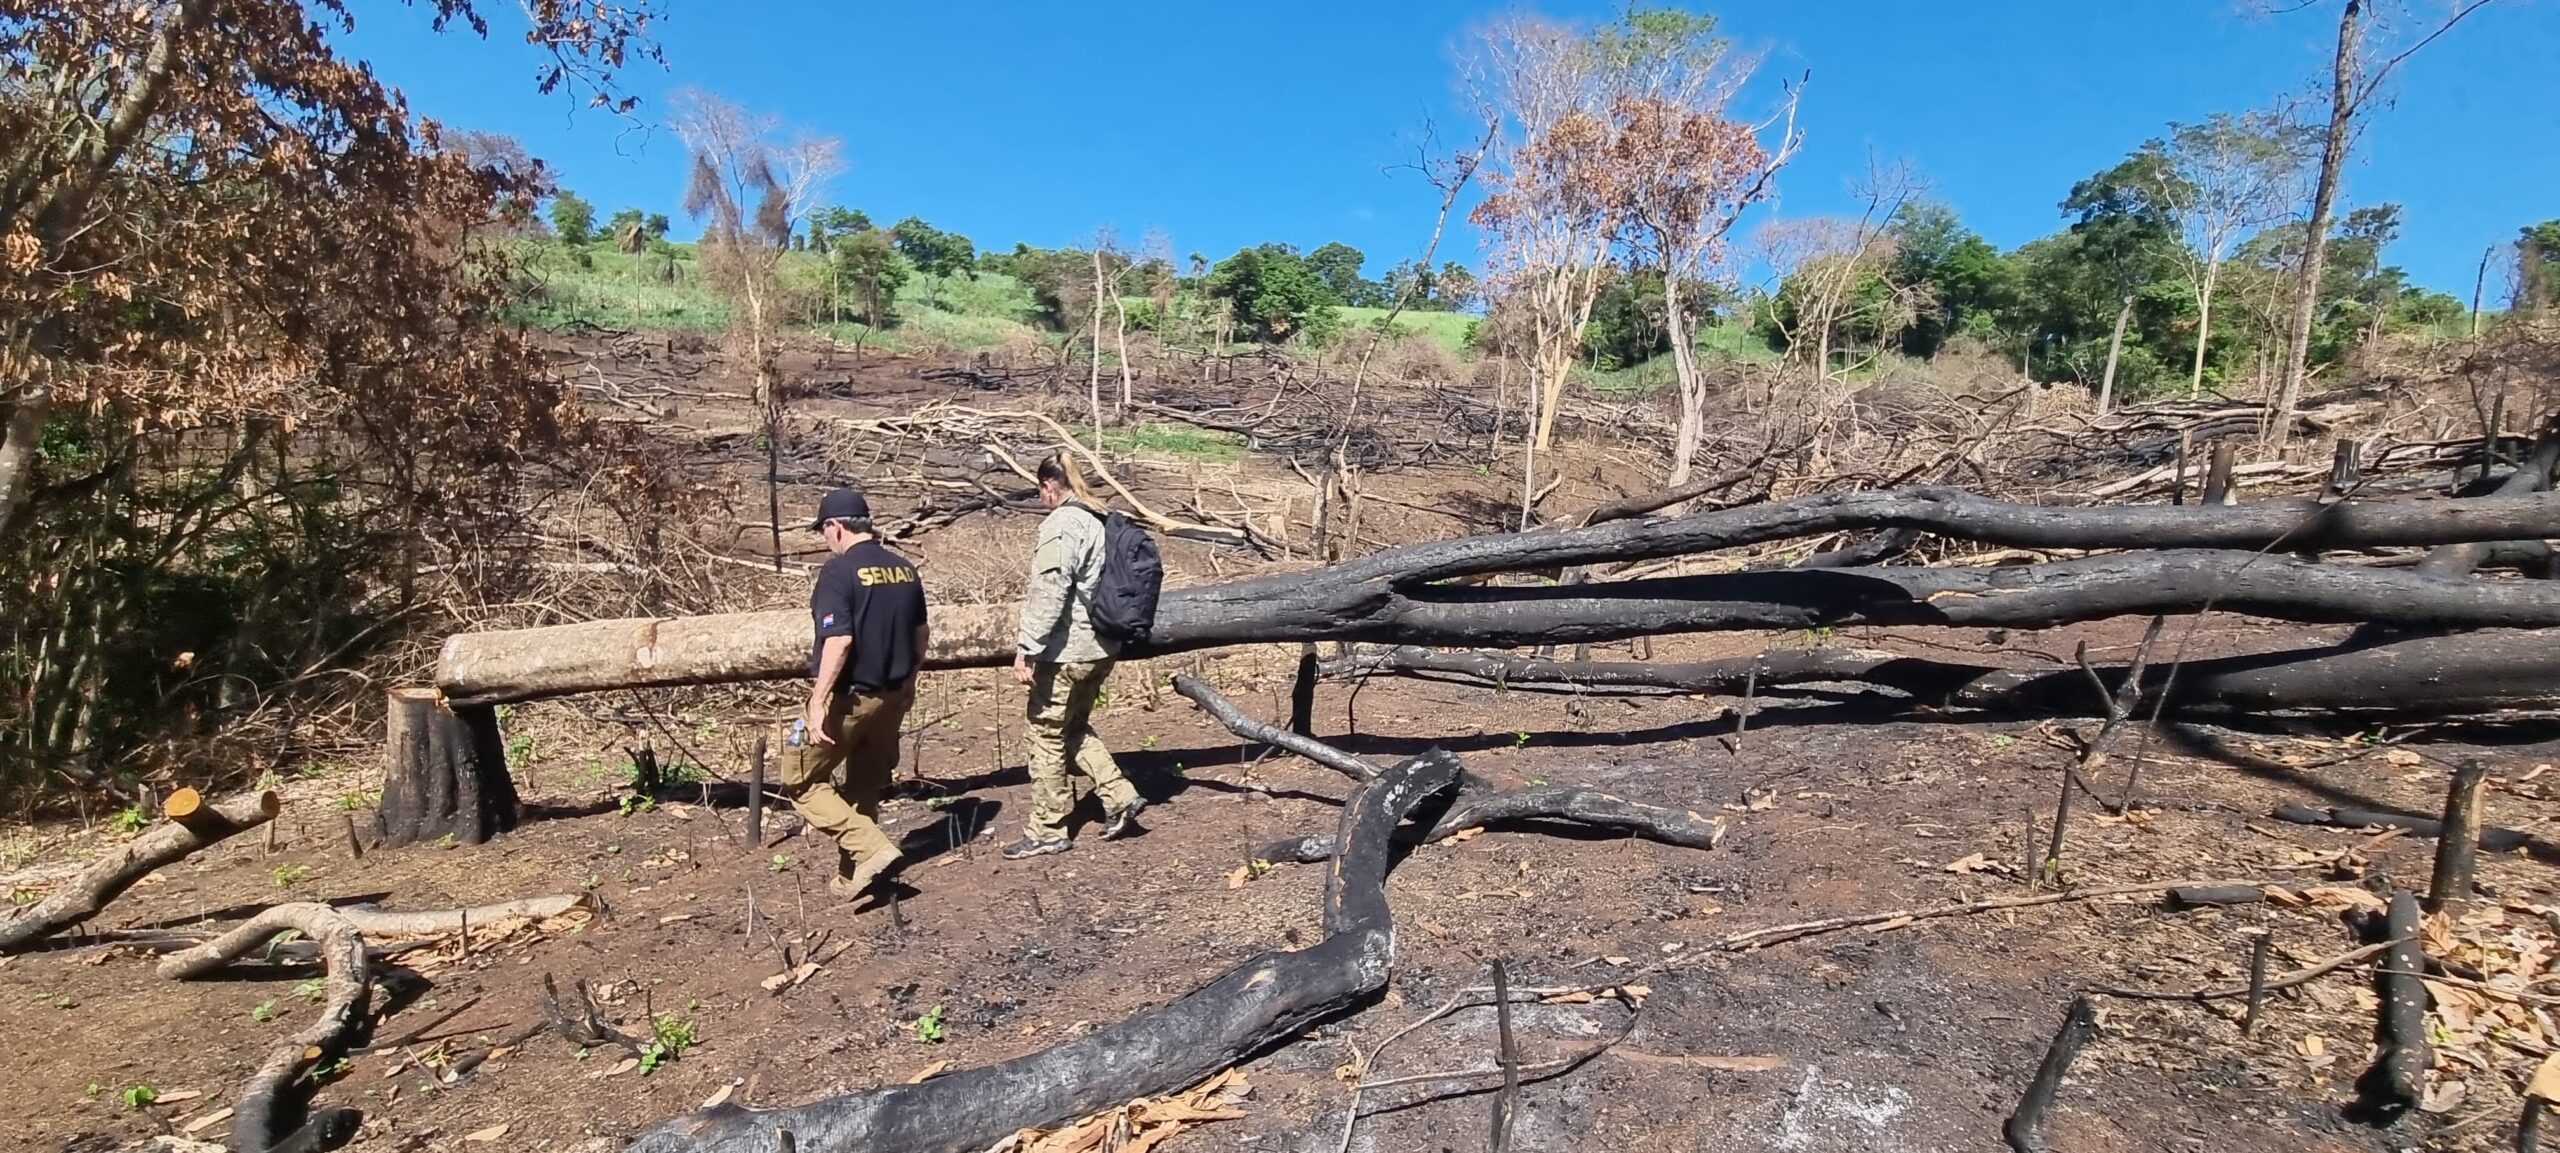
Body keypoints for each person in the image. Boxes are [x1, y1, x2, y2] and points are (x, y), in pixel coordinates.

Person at [785, 488, 929, 898]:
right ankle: (855, 875)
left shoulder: (838, 572)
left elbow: (840, 639)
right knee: (864, 784)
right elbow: (921, 634)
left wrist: (817, 702)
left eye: (823, 530)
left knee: (800, 780)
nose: (825, 539)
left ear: (835, 526)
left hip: (849, 699)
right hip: (892, 697)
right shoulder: (904, 569)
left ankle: (871, 848)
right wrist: (910, 683)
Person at [1003, 453, 1145, 858]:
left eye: (1040, 490)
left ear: (1050, 485)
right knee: (1073, 726)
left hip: (1067, 652)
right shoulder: (1100, 518)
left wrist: (1028, 647)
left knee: (1046, 734)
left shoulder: (1063, 523)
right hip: (1102, 647)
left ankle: (1046, 829)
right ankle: (1119, 796)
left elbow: (1050, 590)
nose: (1040, 498)